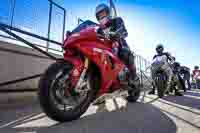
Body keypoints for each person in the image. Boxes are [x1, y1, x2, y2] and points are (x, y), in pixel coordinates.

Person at [95, 4, 139, 85]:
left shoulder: (116, 20)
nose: (101, 16)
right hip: (105, 47)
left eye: (103, 14)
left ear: (108, 13)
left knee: (125, 52)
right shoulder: (98, 28)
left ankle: (133, 77)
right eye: (99, 15)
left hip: (119, 44)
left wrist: (118, 33)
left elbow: (124, 31)